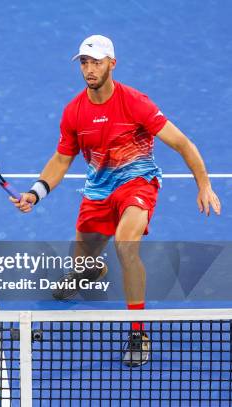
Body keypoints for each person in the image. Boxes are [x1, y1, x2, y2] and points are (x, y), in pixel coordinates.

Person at [11, 35, 221, 367]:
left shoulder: (135, 102)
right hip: (98, 190)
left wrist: (204, 184)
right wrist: (36, 192)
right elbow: (62, 159)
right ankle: (89, 273)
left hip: (137, 182)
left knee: (126, 244)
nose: (89, 69)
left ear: (112, 63)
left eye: (96, 62)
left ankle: (138, 332)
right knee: (84, 258)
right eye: (84, 62)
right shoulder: (74, 112)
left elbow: (181, 143)